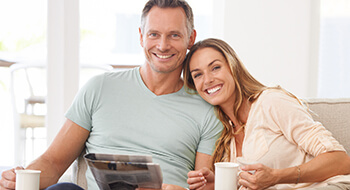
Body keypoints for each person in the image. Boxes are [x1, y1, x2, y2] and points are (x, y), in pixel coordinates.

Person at [0, 1, 223, 190]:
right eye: (154, 34)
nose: (162, 45)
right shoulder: (99, 88)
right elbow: (54, 161)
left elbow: (202, 183)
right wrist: (21, 179)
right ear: (140, 36)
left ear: (190, 38)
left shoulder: (205, 109)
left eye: (174, 35)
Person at [183, 38, 350, 190]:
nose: (207, 80)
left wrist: (277, 177)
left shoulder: (270, 102)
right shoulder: (224, 137)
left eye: (215, 68)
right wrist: (216, 185)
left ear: (233, 67)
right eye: (198, 75)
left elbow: (340, 160)